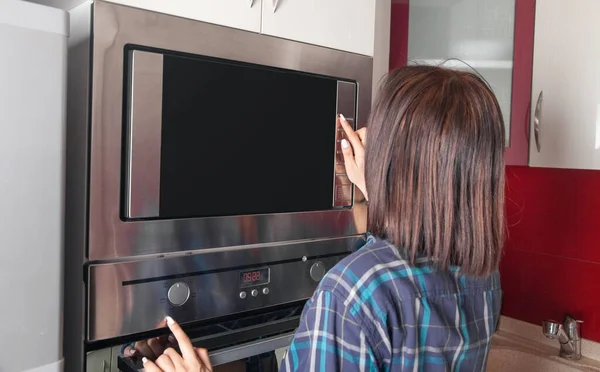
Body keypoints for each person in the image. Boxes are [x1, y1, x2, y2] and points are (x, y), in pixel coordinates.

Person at [141, 65, 506, 371]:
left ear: (399, 163)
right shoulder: (484, 278)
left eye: (381, 132)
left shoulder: (353, 293)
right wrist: (380, 194)